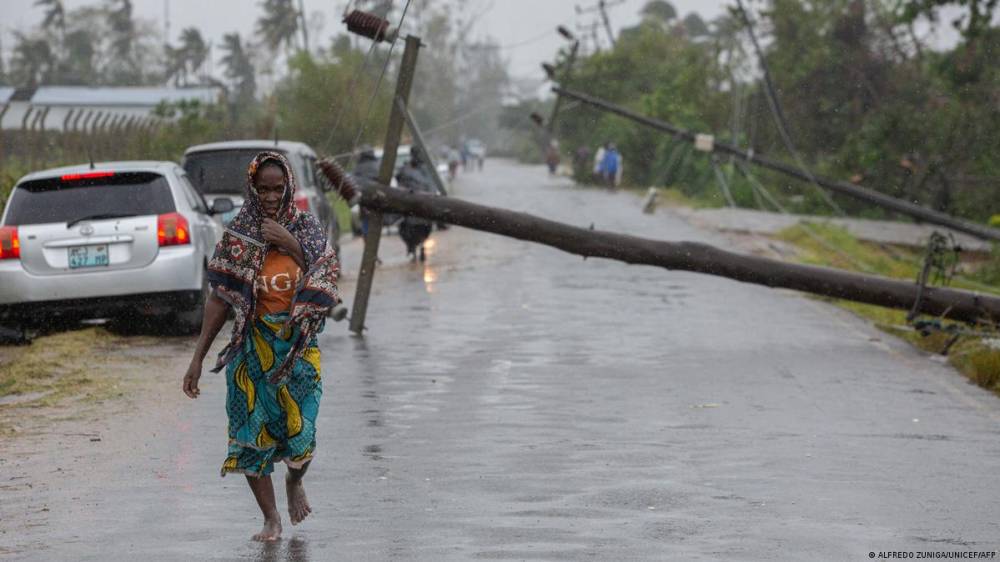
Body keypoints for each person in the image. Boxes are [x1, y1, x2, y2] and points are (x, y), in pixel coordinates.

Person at [182, 152, 341, 542]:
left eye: (278, 188)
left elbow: (327, 274)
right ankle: (271, 518)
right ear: (252, 188)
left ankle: (294, 480)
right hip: (251, 348)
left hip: (298, 349)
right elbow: (220, 298)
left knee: (301, 439)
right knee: (250, 435)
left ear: (288, 187)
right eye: (263, 189)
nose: (271, 196)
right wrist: (198, 358)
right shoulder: (239, 234)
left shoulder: (304, 227)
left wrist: (290, 245)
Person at [396, 146, 436, 261]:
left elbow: (400, 186)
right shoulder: (425, 169)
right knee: (422, 230)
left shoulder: (408, 169)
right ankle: (418, 247)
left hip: (413, 211)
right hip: (422, 211)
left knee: (407, 230)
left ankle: (413, 248)